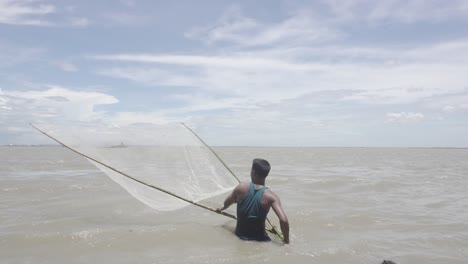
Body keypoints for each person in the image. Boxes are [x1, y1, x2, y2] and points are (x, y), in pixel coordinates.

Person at [217, 158, 290, 244]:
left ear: (253, 172)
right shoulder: (271, 197)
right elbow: (284, 220)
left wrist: (221, 208)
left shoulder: (241, 187)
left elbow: (226, 203)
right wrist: (286, 240)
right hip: (260, 240)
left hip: (239, 237)